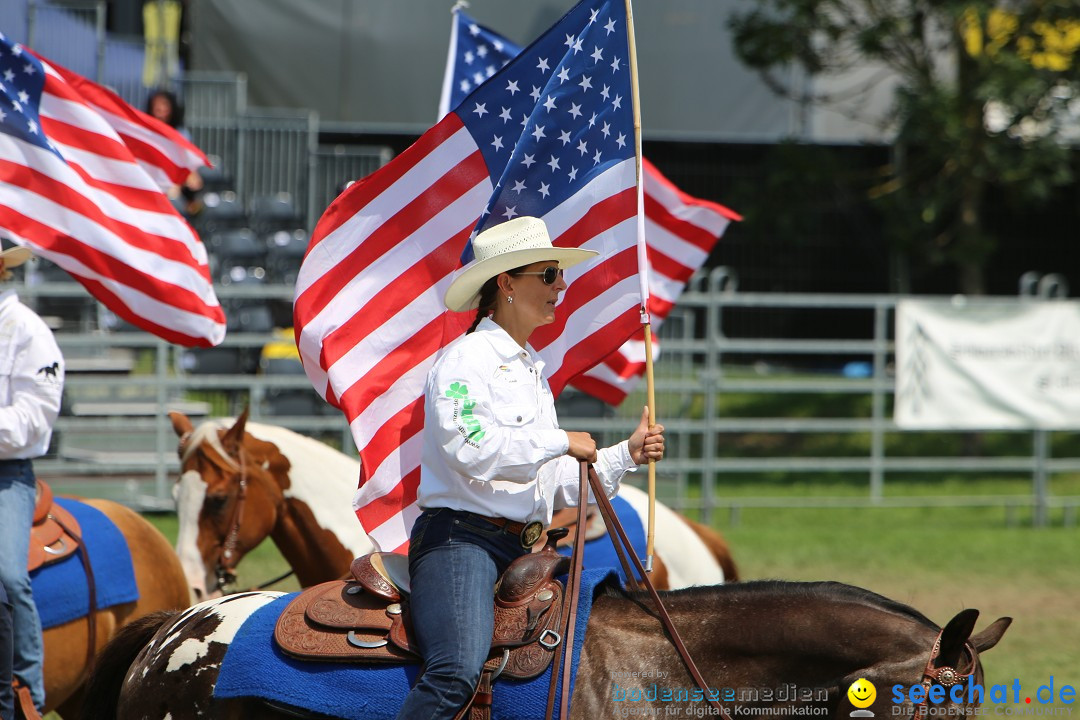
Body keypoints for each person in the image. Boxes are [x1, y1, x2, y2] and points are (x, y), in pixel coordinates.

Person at [396, 216, 666, 719]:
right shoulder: (465, 360)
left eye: (558, 275)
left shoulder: (529, 369)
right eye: (548, 275)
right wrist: (559, 439)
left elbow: (551, 484)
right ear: (506, 284)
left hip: (523, 542)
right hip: (460, 541)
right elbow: (467, 448)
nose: (560, 285)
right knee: (455, 670)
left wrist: (624, 454)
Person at [0, 244, 65, 718]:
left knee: (5, 576)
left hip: (7, 474)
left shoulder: (26, 330)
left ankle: (24, 695)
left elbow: (33, 421)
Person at [144, 88, 204, 207]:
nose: (160, 109)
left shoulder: (181, 135)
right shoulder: (145, 134)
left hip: (174, 184)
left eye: (164, 105)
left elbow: (188, 166)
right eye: (157, 105)